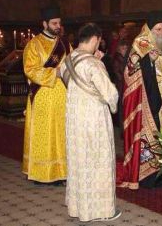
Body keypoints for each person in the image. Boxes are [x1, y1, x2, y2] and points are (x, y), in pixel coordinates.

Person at [118, 11, 162, 189]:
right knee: (147, 139)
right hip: (145, 101)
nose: (161, 33)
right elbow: (129, 72)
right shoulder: (139, 44)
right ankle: (145, 177)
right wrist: (148, 61)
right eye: (157, 29)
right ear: (149, 29)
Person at [60, 23, 120, 222]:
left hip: (75, 120)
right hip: (94, 121)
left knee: (80, 162)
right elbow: (110, 94)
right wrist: (101, 67)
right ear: (95, 39)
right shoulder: (94, 64)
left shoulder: (67, 59)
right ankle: (102, 211)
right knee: (98, 162)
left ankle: (79, 208)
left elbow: (62, 76)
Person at [22, 5, 71, 184]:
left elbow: (72, 64)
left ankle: (62, 172)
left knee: (61, 133)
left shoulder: (65, 44)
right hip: (42, 95)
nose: (58, 26)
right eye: (54, 23)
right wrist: (54, 73)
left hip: (62, 95)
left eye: (59, 23)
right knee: (45, 134)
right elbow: (30, 70)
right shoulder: (34, 44)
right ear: (45, 24)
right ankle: (42, 174)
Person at [112, 40, 129, 128]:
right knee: (121, 106)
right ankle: (121, 126)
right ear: (119, 49)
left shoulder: (126, 58)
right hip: (120, 85)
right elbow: (117, 72)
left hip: (124, 84)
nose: (125, 50)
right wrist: (125, 79)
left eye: (126, 48)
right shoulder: (117, 58)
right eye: (123, 48)